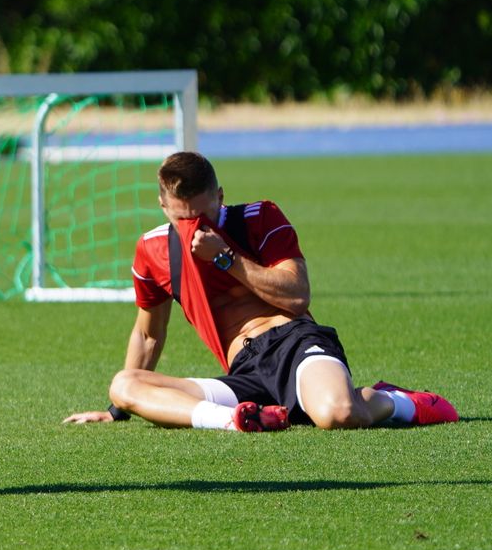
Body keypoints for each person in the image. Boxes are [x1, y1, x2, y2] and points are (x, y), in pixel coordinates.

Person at [63, 151, 459, 432]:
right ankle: (237, 421)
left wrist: (226, 258)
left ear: (220, 196)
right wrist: (116, 411)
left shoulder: (259, 218)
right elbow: (148, 334)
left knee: (338, 414)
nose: (194, 228)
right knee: (125, 383)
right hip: (245, 373)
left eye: (203, 216)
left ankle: (398, 401)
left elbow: (297, 296)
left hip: (294, 343)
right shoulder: (152, 249)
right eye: (183, 219)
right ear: (163, 206)